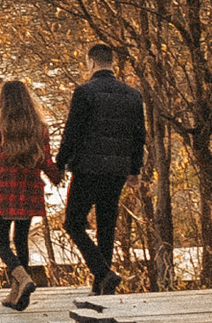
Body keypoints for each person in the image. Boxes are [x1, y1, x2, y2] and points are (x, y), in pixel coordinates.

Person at [55, 44, 147, 292]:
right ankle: (102, 287)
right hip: (117, 170)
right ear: (111, 63)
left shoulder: (85, 93)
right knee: (106, 227)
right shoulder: (133, 95)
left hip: (88, 169)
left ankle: (103, 273)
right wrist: (134, 170)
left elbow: (72, 133)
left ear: (92, 63)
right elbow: (139, 136)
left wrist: (60, 163)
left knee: (73, 223)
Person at [0, 77, 57, 309]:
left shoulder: (0, 127)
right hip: (28, 194)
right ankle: (17, 295)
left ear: (4, 102)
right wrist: (57, 176)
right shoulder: (40, 128)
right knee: (21, 242)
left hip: (5, 195)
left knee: (2, 246)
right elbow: (46, 161)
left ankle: (23, 280)